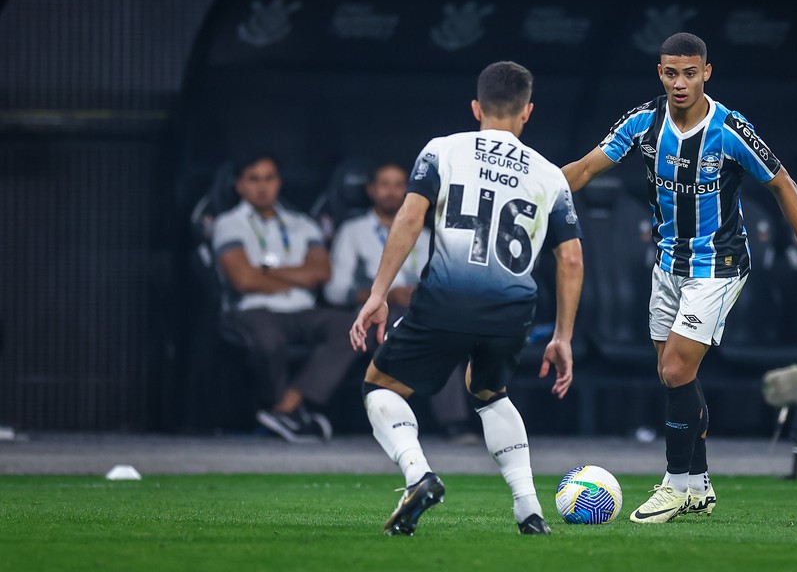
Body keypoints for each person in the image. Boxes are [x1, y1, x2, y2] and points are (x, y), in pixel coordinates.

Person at [562, 32, 797, 524]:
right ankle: (699, 485)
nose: (680, 83)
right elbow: (582, 171)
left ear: (706, 73)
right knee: (674, 376)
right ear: (660, 73)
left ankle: (673, 486)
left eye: (690, 73)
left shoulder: (729, 129)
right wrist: (527, 190)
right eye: (671, 73)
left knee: (674, 370)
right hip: (668, 264)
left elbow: (783, 183)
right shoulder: (644, 122)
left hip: (719, 265)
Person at [350, 61, 583, 536]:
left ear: (477, 107)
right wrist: (563, 336)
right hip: (513, 309)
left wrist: (379, 293)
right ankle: (529, 509)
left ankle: (418, 475)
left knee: (380, 385)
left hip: (447, 297)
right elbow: (572, 259)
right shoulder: (550, 175)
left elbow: (409, 218)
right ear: (527, 112)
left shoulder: (442, 150)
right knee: (489, 392)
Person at [324, 163, 477, 443]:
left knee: (443, 335)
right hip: (372, 314)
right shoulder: (353, 231)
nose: (392, 192)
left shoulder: (426, 234)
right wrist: (385, 294)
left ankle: (454, 421)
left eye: (398, 185)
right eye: (384, 184)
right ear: (371, 190)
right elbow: (335, 291)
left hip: (419, 312)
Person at [212, 152, 357, 443]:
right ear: (239, 185)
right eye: (253, 179)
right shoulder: (228, 223)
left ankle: (285, 408)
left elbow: (321, 272)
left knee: (351, 328)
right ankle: (288, 414)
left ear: (278, 182)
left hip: (303, 309)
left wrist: (265, 271)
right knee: (269, 341)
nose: (262, 186)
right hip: (252, 309)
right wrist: (296, 274)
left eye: (269, 178)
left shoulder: (301, 223)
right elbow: (244, 280)